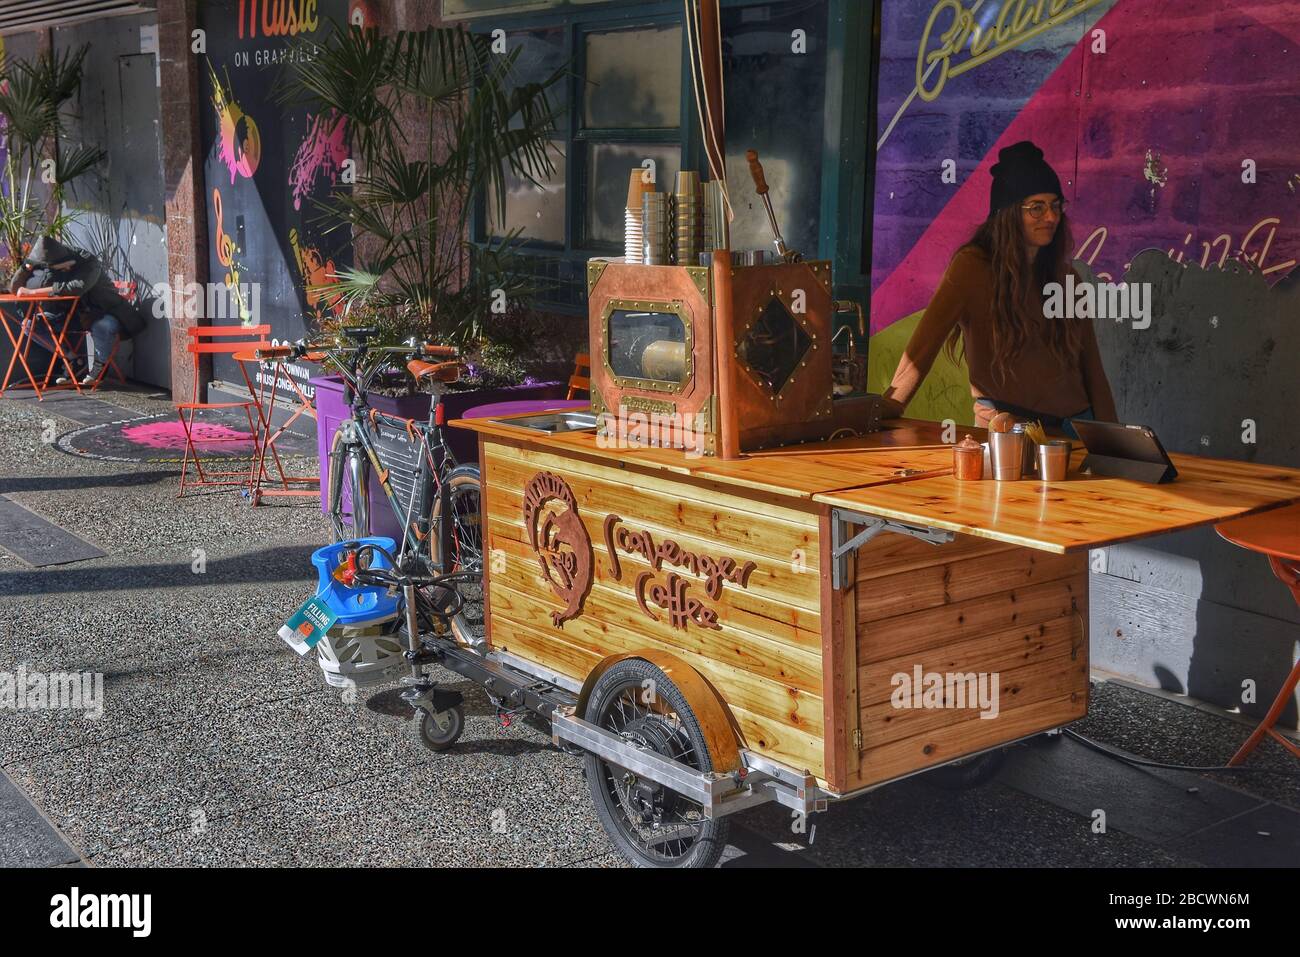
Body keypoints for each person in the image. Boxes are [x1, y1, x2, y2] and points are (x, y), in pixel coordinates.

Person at [880, 141, 1117, 437]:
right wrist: (882, 412)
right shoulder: (972, 268)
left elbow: (1093, 370)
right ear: (1007, 214)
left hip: (1076, 432)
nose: (1051, 217)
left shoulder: (1067, 278)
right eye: (1037, 208)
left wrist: (1113, 444)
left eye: (1056, 206)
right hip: (1006, 434)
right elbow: (922, 348)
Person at [8, 236, 147, 384]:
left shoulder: (88, 262)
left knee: (102, 325)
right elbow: (15, 289)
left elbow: (75, 287)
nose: (64, 270)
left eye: (64, 267)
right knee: (29, 325)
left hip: (105, 310)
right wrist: (25, 268)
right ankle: (73, 360)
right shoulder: (48, 263)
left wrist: (33, 293)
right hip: (72, 315)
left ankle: (100, 366)